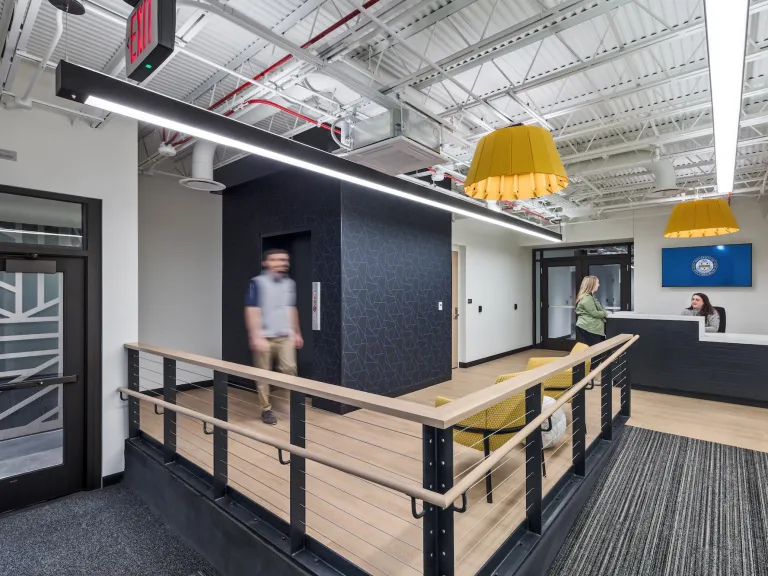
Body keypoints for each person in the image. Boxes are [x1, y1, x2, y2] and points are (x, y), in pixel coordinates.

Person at [244, 249, 303, 425]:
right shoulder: (257, 283)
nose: (282, 262)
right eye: (276, 259)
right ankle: (266, 409)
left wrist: (297, 332)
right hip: (265, 337)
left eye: (284, 260)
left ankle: (293, 404)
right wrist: (256, 335)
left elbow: (291, 309)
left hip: (285, 336)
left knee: (290, 369)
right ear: (266, 263)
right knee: (263, 375)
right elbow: (252, 310)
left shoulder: (289, 284)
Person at [574, 275, 609, 346]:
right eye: (597, 283)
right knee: (594, 350)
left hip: (590, 327)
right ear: (592, 285)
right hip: (589, 328)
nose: (599, 285)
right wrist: (606, 313)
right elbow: (595, 313)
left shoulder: (590, 297)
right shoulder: (587, 298)